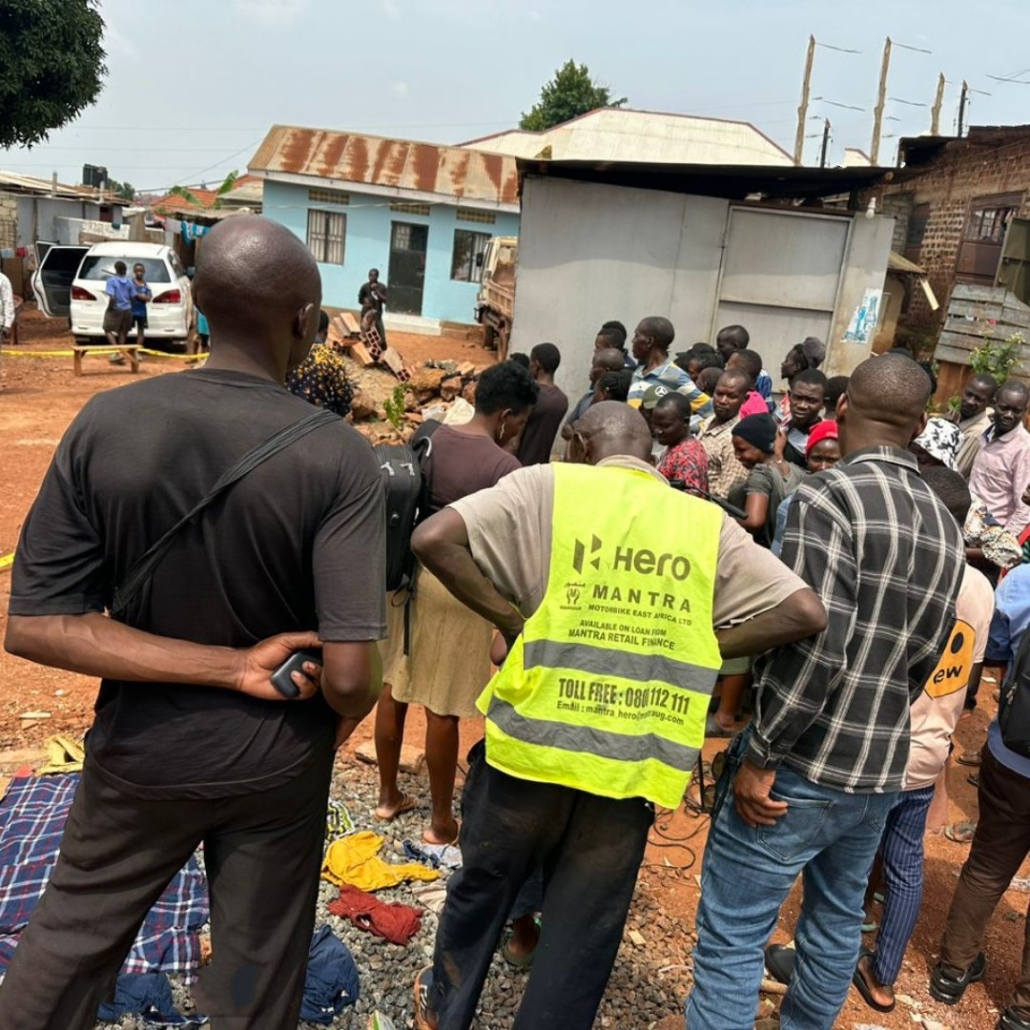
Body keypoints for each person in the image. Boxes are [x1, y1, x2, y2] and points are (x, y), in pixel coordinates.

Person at [0, 217, 386, 1029]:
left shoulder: (105, 422)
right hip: (276, 768)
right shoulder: (340, 459)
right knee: (255, 973)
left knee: (67, 944)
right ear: (304, 321)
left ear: (200, 306)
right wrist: (260, 676)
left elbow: (37, 624)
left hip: (140, 754)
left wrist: (228, 666)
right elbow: (351, 680)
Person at [408, 401, 827, 1030]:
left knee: (484, 887)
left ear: (579, 444)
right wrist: (701, 645)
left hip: (532, 745)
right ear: (651, 455)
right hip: (631, 761)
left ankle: (444, 1010)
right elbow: (805, 611)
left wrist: (514, 621)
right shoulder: (702, 521)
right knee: (584, 927)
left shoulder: (545, 486)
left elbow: (431, 538)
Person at [686, 354, 966, 1030]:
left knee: (733, 938)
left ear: (841, 410)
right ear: (920, 426)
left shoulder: (826, 497)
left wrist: (761, 754)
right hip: (880, 767)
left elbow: (816, 645)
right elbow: (927, 654)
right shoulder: (944, 522)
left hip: (801, 765)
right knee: (837, 920)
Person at [767, 466, 995, 1015]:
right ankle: (883, 975)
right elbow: (969, 680)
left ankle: (815, 960)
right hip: (931, 747)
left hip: (878, 746)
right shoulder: (982, 587)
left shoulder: (909, 569)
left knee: (840, 868)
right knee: (905, 864)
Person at [375, 362, 539, 844]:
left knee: (393, 687)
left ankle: (387, 797)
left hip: (405, 576)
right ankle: (441, 822)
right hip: (457, 588)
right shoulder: (504, 469)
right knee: (442, 707)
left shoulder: (429, 435)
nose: (519, 431)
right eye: (521, 421)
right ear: (506, 416)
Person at [930, 558, 1030, 1030]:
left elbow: (993, 649)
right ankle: (1022, 1013)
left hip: (1013, 756)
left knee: (988, 864)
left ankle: (952, 971)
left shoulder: (1024, 580)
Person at [731, 414, 805, 548]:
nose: (737, 456)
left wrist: (722, 521)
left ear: (761, 446)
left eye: (741, 450)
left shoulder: (761, 473)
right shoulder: (796, 471)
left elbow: (754, 521)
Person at [968, 380, 1030, 539]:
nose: (1009, 415)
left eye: (1016, 411)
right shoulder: (987, 433)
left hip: (990, 531)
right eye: (1004, 408)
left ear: (1025, 411)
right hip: (967, 520)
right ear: (994, 404)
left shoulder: (1024, 448)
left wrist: (999, 543)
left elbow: (1024, 509)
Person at [770, 421, 842, 557]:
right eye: (817, 459)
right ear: (807, 459)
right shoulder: (790, 506)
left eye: (832, 460)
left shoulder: (854, 502)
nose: (823, 467)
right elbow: (778, 553)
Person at [627, 316, 712, 421]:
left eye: (636, 336)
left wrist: (691, 426)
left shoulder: (675, 376)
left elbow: (710, 410)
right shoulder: (638, 373)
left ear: (649, 341)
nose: (633, 341)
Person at [286, 310, 355, 417]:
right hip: (317, 420)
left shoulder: (290, 350)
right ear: (326, 332)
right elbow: (345, 396)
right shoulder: (330, 358)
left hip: (285, 414)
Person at [697, 370, 750, 500]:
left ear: (744, 399)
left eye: (732, 397)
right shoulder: (709, 421)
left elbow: (725, 496)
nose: (722, 401)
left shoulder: (735, 440)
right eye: (719, 394)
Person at [516, 343, 568, 466]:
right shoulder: (562, 400)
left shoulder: (530, 394)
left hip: (518, 464)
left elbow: (514, 441)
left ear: (537, 365)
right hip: (540, 467)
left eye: (531, 362)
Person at [653, 392, 710, 494]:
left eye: (665, 426)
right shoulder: (675, 445)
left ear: (685, 422)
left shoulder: (687, 457)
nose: (658, 431)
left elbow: (689, 499)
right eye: (655, 425)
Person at [564, 347, 625, 431]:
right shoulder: (587, 398)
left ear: (606, 371)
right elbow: (566, 428)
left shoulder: (619, 410)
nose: (591, 370)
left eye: (594, 367)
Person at [950, 373, 998, 477]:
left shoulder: (976, 434)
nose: (970, 401)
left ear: (990, 402)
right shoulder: (957, 419)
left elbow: (953, 474)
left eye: (978, 399)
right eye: (968, 394)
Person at [781, 369, 828, 467]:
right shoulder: (780, 423)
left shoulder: (824, 440)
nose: (802, 405)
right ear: (789, 396)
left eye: (811, 401)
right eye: (798, 398)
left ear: (824, 403)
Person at [725, 349, 774, 418]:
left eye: (729, 365)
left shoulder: (739, 405)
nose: (725, 369)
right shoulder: (758, 399)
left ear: (740, 372)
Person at [103, 260, 135, 352]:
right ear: (125, 270)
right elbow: (133, 297)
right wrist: (131, 307)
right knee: (123, 331)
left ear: (116, 269)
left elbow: (112, 297)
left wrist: (110, 307)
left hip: (116, 308)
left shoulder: (111, 281)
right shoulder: (129, 281)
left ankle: (116, 350)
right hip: (127, 309)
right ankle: (121, 351)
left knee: (107, 329)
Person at [358, 268, 388, 343]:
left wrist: (376, 290)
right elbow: (360, 300)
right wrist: (365, 303)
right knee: (364, 336)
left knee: (381, 338)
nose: (371, 278)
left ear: (377, 276)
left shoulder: (382, 287)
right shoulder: (364, 287)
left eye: (373, 276)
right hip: (366, 315)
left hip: (377, 316)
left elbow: (386, 300)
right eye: (370, 276)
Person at [130, 262, 152, 348]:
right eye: (137, 271)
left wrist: (138, 295)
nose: (139, 273)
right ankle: (122, 350)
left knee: (141, 330)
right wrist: (142, 296)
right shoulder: (130, 283)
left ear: (144, 271)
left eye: (141, 271)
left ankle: (137, 350)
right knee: (124, 330)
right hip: (131, 310)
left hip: (142, 311)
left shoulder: (146, 285)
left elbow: (149, 298)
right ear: (134, 271)